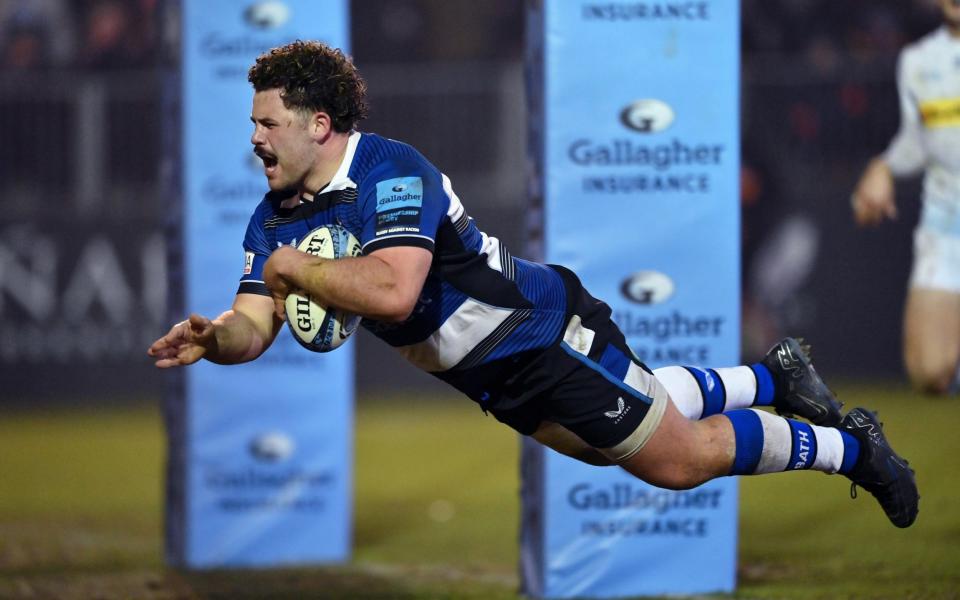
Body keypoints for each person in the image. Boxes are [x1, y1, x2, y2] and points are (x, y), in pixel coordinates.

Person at [149, 40, 919, 528]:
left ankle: (850, 452)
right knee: (619, 440)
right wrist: (220, 339)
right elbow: (256, 322)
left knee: (674, 461)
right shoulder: (273, 217)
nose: (253, 138)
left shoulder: (390, 170)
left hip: (537, 331)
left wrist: (296, 270)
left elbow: (393, 292)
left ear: (318, 124)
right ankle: (769, 376)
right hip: (488, 375)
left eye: (266, 123)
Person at [851, 0, 960, 395]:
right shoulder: (918, 60)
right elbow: (915, 142)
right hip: (946, 225)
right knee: (929, 371)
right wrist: (882, 168)